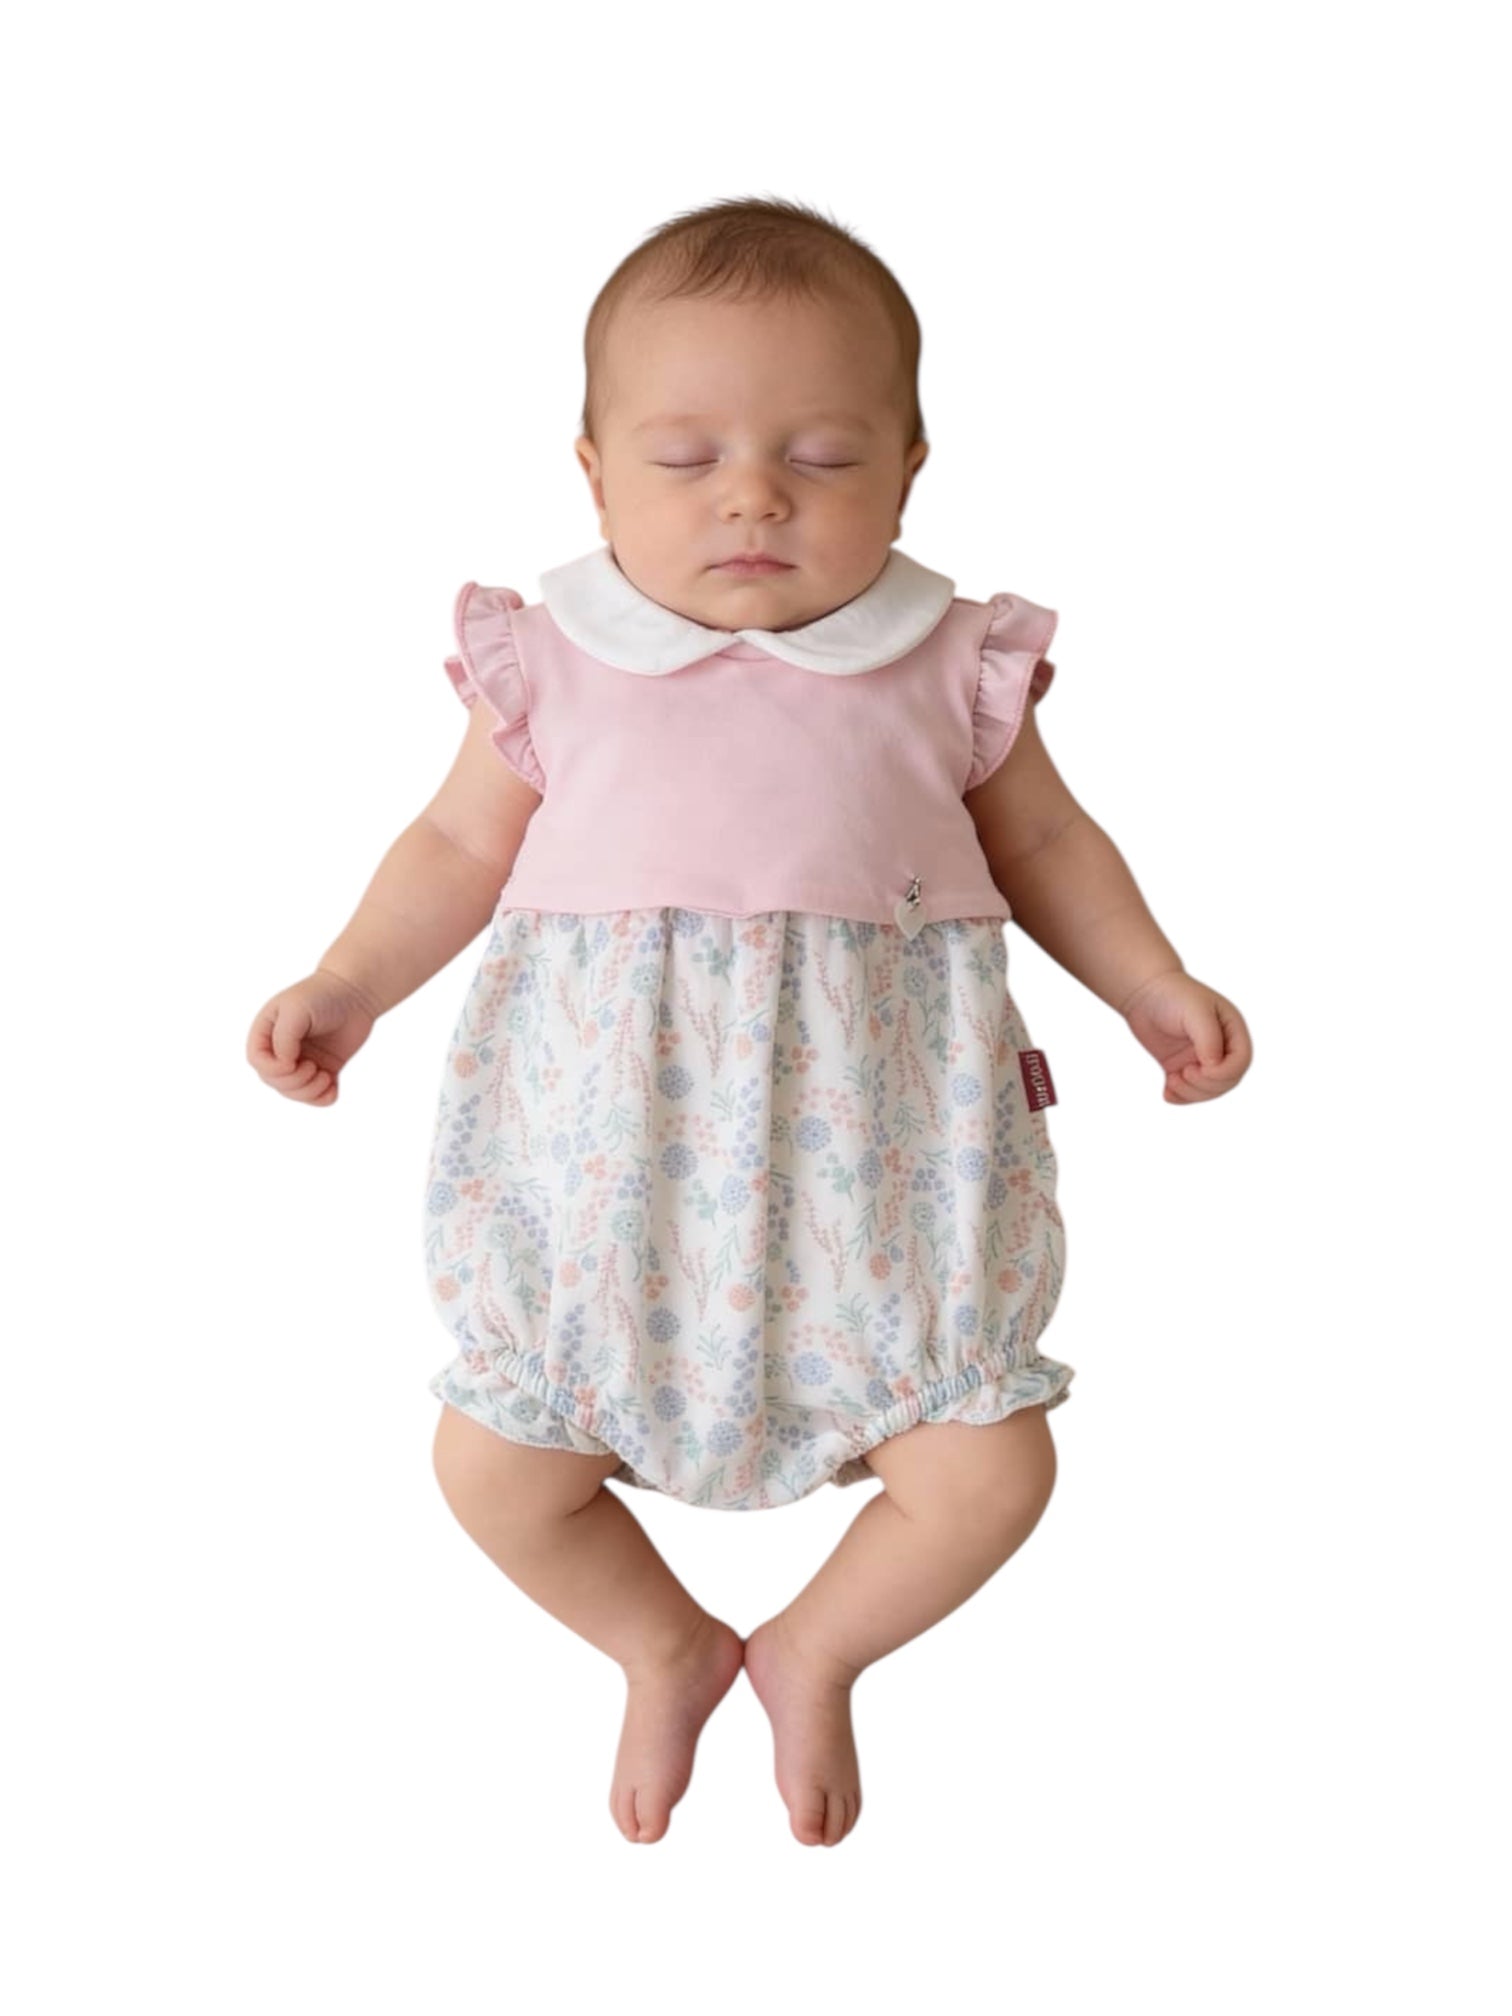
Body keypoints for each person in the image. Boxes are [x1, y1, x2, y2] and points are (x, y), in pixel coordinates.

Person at [246, 195, 1253, 1850]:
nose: (755, 495)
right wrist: (345, 983)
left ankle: (814, 1648)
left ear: (910, 469)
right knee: (491, 1468)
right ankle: (660, 1643)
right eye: (687, 456)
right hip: (610, 1204)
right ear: (594, 475)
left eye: (823, 458)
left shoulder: (946, 662)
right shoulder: (554, 661)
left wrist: (1154, 985)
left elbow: (1052, 848)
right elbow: (451, 849)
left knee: (994, 1473)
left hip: (885, 1206)